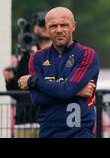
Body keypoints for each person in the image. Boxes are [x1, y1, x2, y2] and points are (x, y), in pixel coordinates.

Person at [17, 7, 100, 138]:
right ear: (47, 29)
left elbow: (67, 90)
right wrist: (75, 91)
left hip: (79, 133)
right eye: (53, 26)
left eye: (64, 25)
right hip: (48, 134)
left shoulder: (87, 54)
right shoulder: (37, 58)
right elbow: (37, 98)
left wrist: (34, 81)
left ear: (73, 26)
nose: (59, 30)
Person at [2, 11, 52, 138]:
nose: (46, 27)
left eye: (49, 24)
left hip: (51, 120)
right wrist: (10, 80)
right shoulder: (27, 55)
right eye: (42, 24)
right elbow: (17, 91)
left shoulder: (60, 53)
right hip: (26, 120)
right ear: (35, 28)